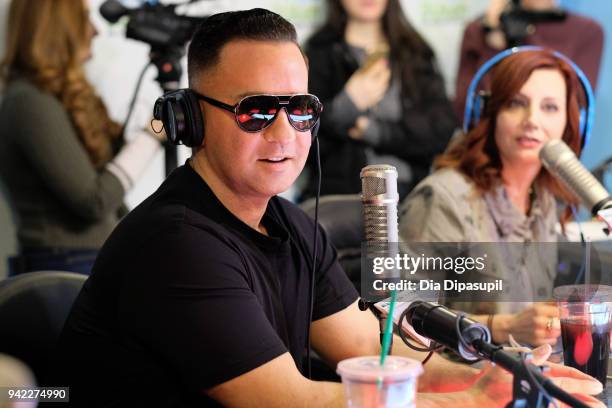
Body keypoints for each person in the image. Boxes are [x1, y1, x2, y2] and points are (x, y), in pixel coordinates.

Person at [57, 10, 605, 407]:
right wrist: (470, 400)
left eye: (299, 110)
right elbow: (287, 399)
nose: (284, 132)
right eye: (255, 111)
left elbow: (372, 347)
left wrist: (492, 375)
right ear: (189, 122)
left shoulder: (292, 226)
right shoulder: (176, 242)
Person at [400, 49, 586, 347]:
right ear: (491, 115)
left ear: (570, 123)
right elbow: (399, 320)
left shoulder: (544, 199)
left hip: (521, 375)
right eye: (516, 103)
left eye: (550, 107)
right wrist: (502, 328)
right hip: (453, 381)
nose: (532, 120)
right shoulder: (443, 199)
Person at [0, 0, 163, 275]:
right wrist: (153, 135)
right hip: (66, 267)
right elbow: (94, 201)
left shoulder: (55, 99)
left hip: (83, 262)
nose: (94, 32)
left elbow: (110, 200)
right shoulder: (29, 102)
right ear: (57, 27)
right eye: (84, 19)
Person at [301, 0, 457, 200]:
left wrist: (375, 132)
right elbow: (303, 142)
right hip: (341, 197)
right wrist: (347, 106)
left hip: (411, 195)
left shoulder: (415, 51)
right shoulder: (319, 53)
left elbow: (441, 130)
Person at [454, 0, 604, 119]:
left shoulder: (587, 31)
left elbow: (577, 105)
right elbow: (466, 110)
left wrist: (522, 38)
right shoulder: (479, 31)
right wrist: (494, 39)